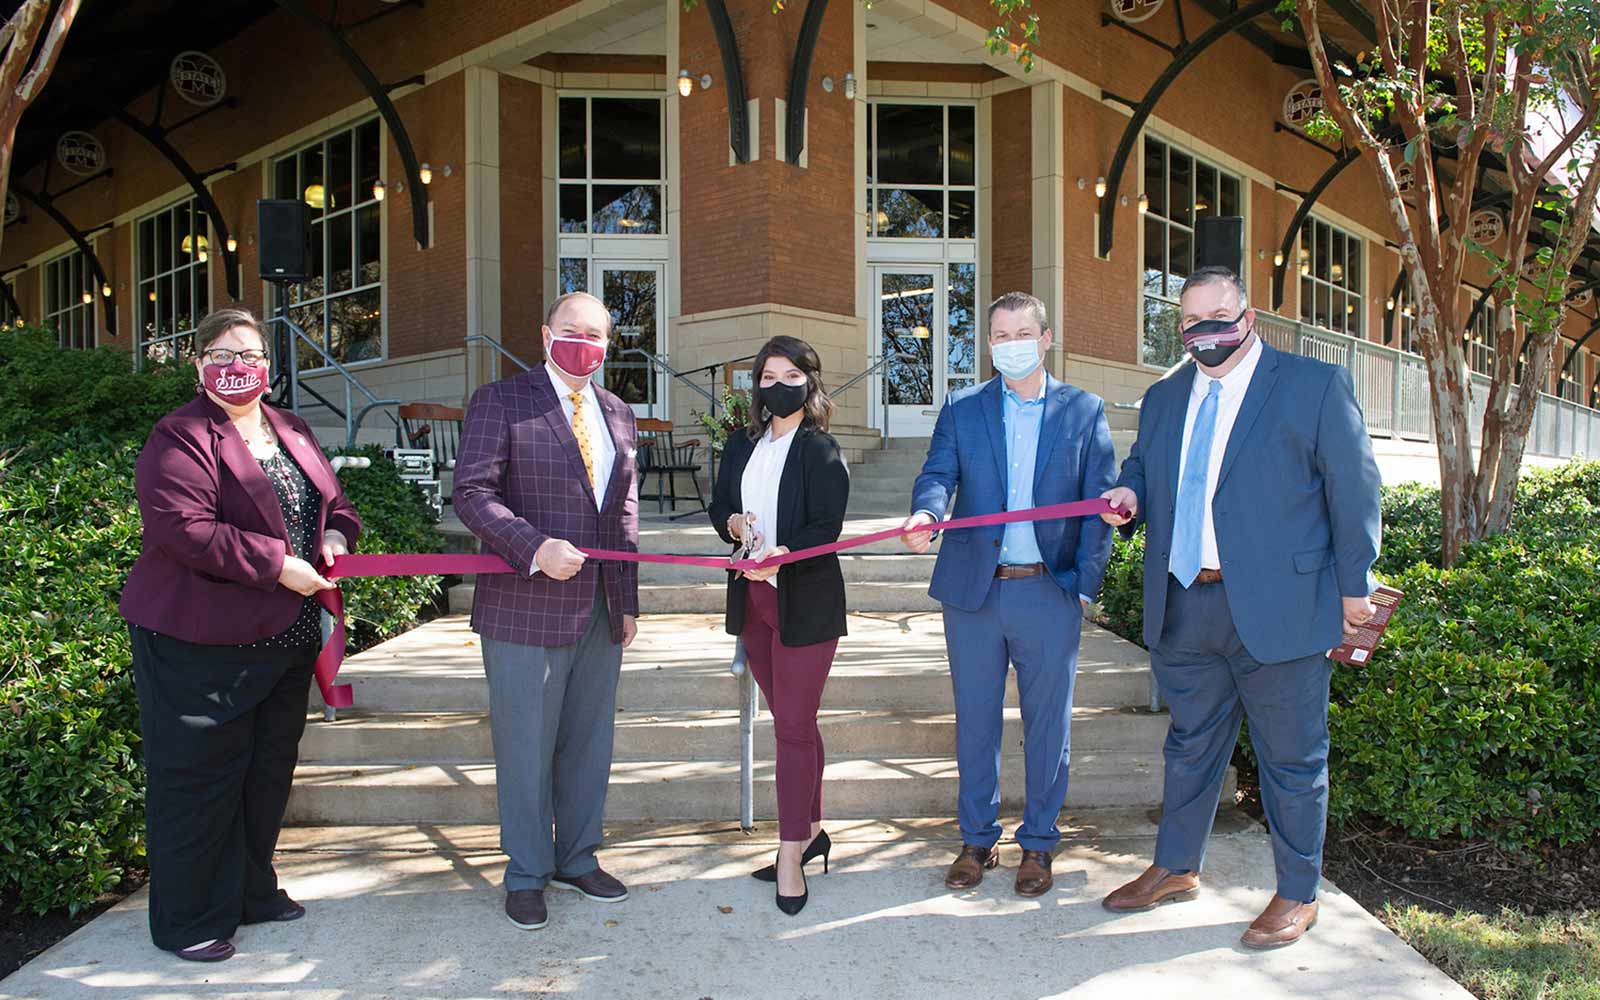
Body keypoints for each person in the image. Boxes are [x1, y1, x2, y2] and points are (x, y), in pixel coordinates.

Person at [1097, 266, 1382, 949]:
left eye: (1220, 317)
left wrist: (1356, 584)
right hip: (1186, 602)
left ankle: (1295, 892)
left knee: (1292, 759)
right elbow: (1143, 467)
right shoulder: (1165, 396)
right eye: (1192, 323)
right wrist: (1129, 495)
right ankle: (1175, 866)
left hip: (1282, 606)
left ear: (1248, 316)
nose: (1207, 333)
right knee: (1190, 746)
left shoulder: (1312, 386)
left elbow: (1355, 488)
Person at [119, 307, 362, 962]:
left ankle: (251, 891)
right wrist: (279, 565)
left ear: (270, 366)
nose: (236, 366)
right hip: (199, 642)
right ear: (199, 365)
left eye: (247, 353)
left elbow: (333, 503)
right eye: (220, 354)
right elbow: (185, 530)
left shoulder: (292, 428)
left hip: (283, 640)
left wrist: (337, 534)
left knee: (265, 773)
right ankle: (188, 918)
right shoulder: (180, 437)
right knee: (197, 781)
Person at [901, 291, 1116, 898]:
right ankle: (976, 839)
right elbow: (939, 473)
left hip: (1047, 591)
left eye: (1024, 332)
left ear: (1046, 339)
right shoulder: (963, 407)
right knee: (975, 721)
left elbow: (1101, 505)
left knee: (1048, 724)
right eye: (1000, 334)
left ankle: (1040, 844)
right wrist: (927, 511)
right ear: (990, 343)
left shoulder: (1084, 410)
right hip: (974, 593)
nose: (1012, 343)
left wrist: (1082, 586)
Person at [453, 290, 641, 932]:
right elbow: (471, 493)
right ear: (544, 334)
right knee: (526, 746)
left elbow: (624, 514)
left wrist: (630, 599)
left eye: (595, 334)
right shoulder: (500, 402)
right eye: (571, 330)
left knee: (590, 741)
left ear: (609, 345)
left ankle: (578, 857)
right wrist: (532, 548)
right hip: (524, 605)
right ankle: (527, 873)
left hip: (600, 606)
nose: (582, 343)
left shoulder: (618, 411)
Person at [708, 335, 850, 916]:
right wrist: (734, 522)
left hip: (803, 604)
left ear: (809, 382)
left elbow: (828, 527)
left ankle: (790, 854)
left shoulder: (821, 449)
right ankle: (811, 829)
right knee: (798, 724)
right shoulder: (741, 445)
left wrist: (784, 551)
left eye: (791, 374)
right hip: (754, 605)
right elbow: (719, 507)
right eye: (768, 374)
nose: (778, 384)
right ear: (756, 386)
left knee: (791, 730)